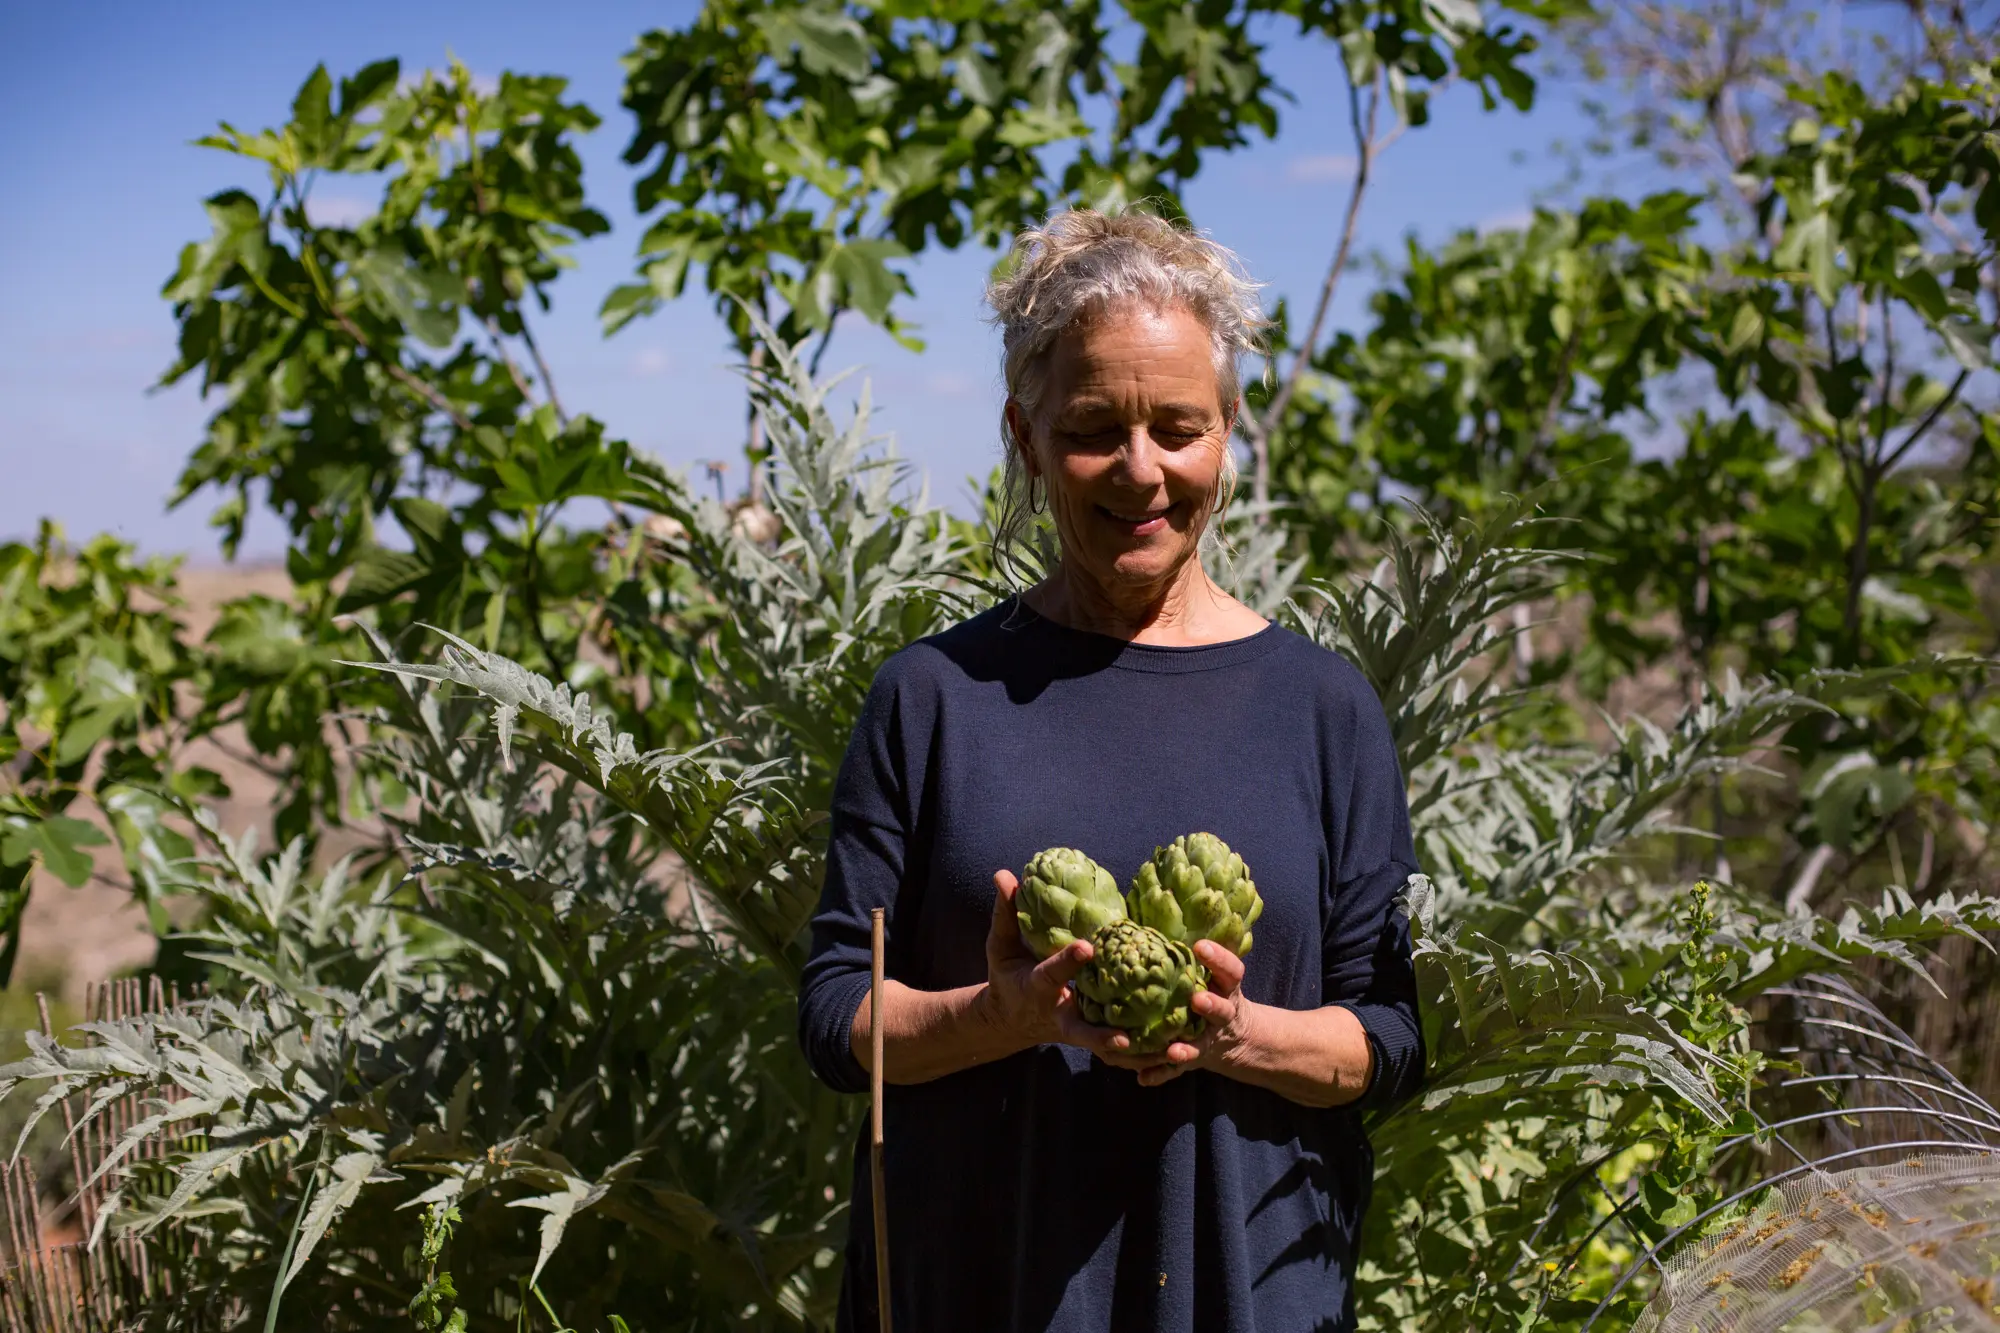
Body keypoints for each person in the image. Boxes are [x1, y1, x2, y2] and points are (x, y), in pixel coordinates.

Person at [796, 207, 1423, 1332]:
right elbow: (836, 1018)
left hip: (1251, 1297)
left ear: (1226, 431)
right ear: (1025, 436)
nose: (1140, 471)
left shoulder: (1323, 712)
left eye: (1178, 428)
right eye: (1093, 428)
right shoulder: (932, 698)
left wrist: (1238, 1034)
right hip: (976, 1292)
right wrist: (1003, 1015)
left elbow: (1384, 1037)